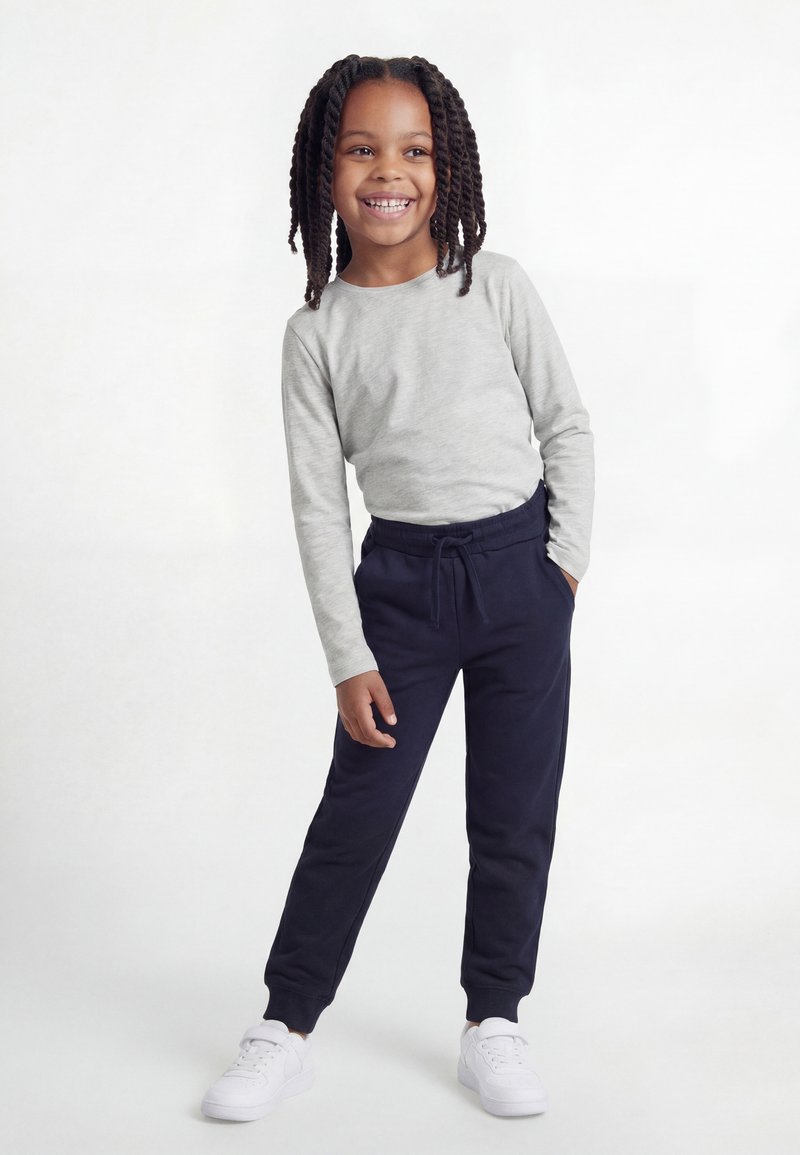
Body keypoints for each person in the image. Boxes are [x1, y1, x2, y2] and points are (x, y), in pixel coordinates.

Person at [201, 52, 594, 1123]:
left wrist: (559, 567)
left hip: (520, 575)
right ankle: (285, 1025)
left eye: (414, 150)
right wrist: (347, 654)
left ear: (446, 165)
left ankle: (493, 1020)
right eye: (362, 149)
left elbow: (564, 423)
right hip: (401, 591)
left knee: (511, 815)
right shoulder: (316, 334)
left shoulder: (492, 284)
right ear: (324, 174)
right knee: (356, 815)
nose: (391, 172)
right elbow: (317, 507)